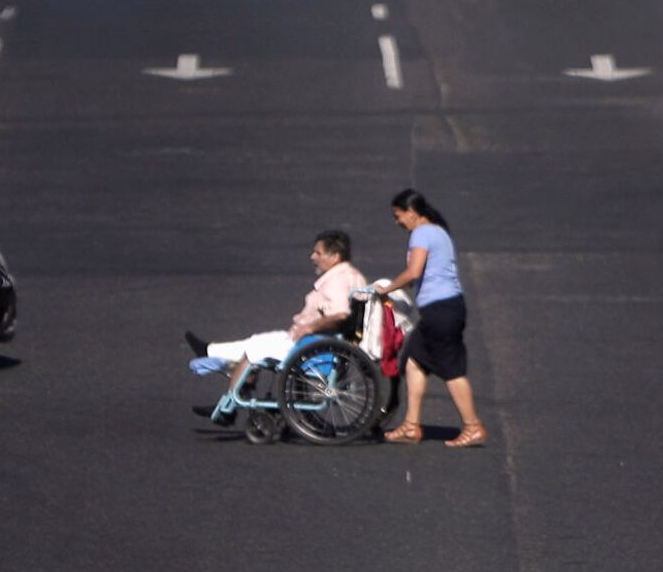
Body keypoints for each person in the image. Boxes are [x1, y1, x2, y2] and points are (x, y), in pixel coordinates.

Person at [187, 230, 365, 408]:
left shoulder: (338, 281)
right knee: (257, 340)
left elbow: (340, 313)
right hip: (314, 340)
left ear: (335, 256)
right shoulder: (351, 275)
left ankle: (229, 405)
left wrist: (309, 327)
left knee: (253, 349)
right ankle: (212, 352)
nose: (313, 257)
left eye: (318, 253)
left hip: (311, 344)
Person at [376, 189, 485, 448]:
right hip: (446, 309)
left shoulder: (422, 233)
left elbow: (414, 272)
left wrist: (386, 289)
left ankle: (473, 427)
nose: (397, 222)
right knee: (414, 360)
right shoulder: (439, 232)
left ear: (412, 213)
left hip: (440, 311)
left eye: (398, 216)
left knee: (452, 370)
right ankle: (411, 426)